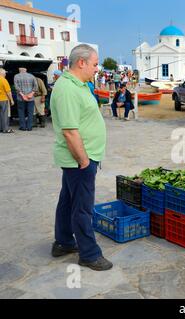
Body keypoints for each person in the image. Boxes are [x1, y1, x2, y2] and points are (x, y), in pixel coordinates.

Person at [50, 44, 113, 271]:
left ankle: (64, 242)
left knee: (68, 201)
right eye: (95, 64)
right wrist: (85, 161)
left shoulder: (81, 84)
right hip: (79, 159)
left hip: (81, 158)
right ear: (81, 62)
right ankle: (89, 254)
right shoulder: (67, 88)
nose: (97, 68)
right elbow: (69, 131)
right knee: (82, 208)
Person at [14, 67, 38, 131]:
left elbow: (16, 87)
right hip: (31, 98)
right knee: (30, 112)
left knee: (21, 112)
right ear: (26, 70)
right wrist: (31, 94)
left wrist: (23, 95)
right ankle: (29, 127)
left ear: (19, 70)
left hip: (20, 98)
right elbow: (36, 86)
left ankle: (23, 127)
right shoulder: (32, 76)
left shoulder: (16, 76)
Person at [0, 68, 15, 133]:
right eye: (5, 73)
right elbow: (8, 92)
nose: (5, 74)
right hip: (3, 99)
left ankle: (0, 128)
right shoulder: (4, 80)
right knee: (5, 115)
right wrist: (11, 100)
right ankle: (5, 129)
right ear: (2, 73)